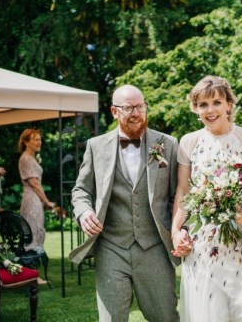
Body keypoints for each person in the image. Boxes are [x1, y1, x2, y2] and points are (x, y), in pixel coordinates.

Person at [69, 85, 180, 322]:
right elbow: (81, 190)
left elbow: (177, 196)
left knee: (166, 316)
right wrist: (84, 211)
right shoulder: (96, 146)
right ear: (113, 111)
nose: (136, 113)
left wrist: (180, 230)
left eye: (140, 106)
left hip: (155, 248)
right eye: (128, 107)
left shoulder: (168, 144)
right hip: (111, 247)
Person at [171, 76, 242, 321]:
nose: (210, 110)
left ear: (229, 104)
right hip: (206, 242)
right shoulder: (189, 142)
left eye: (216, 102)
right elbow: (184, 191)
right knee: (208, 313)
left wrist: (237, 219)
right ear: (195, 109)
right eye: (203, 105)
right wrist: (176, 232)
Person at [18, 129, 54, 252]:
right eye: (36, 139)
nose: (39, 142)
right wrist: (47, 201)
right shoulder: (26, 159)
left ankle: (35, 257)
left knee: (37, 227)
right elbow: (34, 183)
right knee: (33, 228)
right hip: (31, 199)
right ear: (26, 142)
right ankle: (31, 257)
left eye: (40, 139)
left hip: (35, 199)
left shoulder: (31, 158)